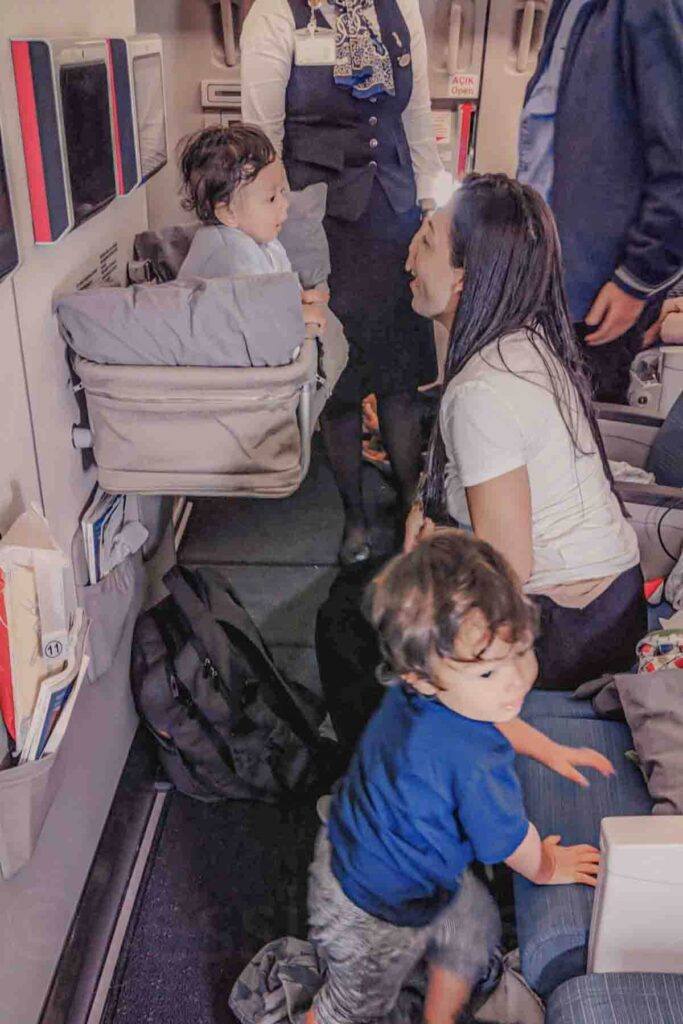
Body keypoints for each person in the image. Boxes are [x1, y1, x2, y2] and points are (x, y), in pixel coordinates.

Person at [307, 530, 607, 1024]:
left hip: (364, 846)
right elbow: (510, 842)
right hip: (372, 900)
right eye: (488, 673)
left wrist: (548, 748)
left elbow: (494, 715)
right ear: (421, 677)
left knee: (471, 930)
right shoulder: (471, 761)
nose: (514, 680)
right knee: (351, 1003)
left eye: (520, 652)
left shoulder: (428, 691)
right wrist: (551, 867)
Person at [405, 173, 646, 691]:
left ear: (465, 278)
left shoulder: (482, 392)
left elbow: (508, 566)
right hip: (612, 606)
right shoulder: (524, 340)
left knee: (347, 626)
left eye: (425, 242)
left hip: (569, 628)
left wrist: (434, 543)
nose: (408, 259)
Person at [240, 0, 444, 566]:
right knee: (340, 384)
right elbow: (262, 141)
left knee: (402, 378)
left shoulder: (400, 8)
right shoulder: (275, 15)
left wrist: (431, 206)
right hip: (319, 224)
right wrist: (274, 234)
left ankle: (411, 501)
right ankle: (353, 514)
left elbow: (417, 116)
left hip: (394, 215)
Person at [517, 0, 683, 403]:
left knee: (576, 437)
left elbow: (677, 154)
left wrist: (637, 278)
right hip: (547, 271)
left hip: (599, 288)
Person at [176, 123, 327, 338]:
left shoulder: (263, 239)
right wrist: (291, 316)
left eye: (282, 191)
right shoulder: (228, 255)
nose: (285, 203)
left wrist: (296, 299)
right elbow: (243, 320)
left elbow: (271, 292)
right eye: (272, 198)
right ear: (228, 212)